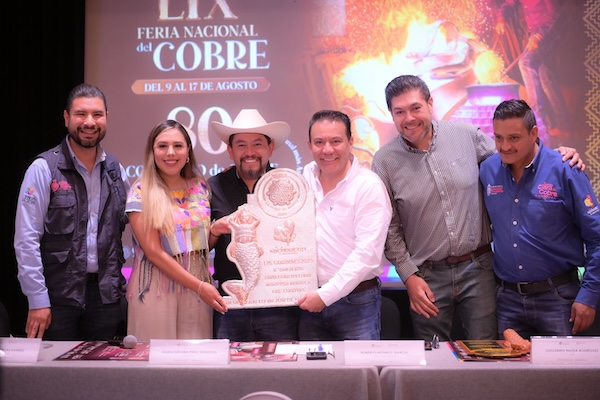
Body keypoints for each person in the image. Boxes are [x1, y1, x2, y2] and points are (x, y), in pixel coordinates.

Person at [371, 75, 583, 341]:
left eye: (415, 108)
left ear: (430, 103)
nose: (409, 118)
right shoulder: (384, 161)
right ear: (391, 114)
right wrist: (408, 276)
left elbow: (514, 156)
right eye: (399, 112)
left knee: (487, 351)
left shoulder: (467, 135)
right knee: (432, 355)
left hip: (479, 269)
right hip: (426, 277)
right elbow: (389, 227)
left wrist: (553, 156)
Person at [14, 83, 130, 340]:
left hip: (106, 298)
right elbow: (26, 239)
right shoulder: (44, 168)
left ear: (106, 118)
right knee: (56, 367)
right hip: (57, 298)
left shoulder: (116, 171)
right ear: (66, 118)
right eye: (81, 114)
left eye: (97, 114)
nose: (89, 122)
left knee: (101, 366)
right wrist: (37, 299)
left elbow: (136, 230)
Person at [480, 99, 600, 338]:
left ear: (534, 133)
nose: (505, 146)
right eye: (498, 138)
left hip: (559, 298)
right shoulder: (488, 170)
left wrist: (589, 295)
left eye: (514, 138)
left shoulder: (566, 169)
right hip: (507, 300)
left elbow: (596, 239)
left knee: (561, 364)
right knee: (509, 364)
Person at [126, 119, 227, 341]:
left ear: (188, 151)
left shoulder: (200, 187)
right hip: (156, 289)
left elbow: (197, 246)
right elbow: (154, 252)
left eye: (178, 146)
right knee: (155, 357)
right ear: (152, 151)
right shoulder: (140, 192)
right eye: (162, 146)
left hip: (197, 288)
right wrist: (199, 287)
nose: (170, 152)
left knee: (196, 357)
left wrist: (215, 232)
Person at [296, 110, 392, 340]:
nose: (327, 149)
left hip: (356, 303)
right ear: (309, 145)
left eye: (336, 141)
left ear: (351, 142)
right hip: (309, 300)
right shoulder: (304, 178)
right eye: (319, 142)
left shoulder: (368, 186)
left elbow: (367, 254)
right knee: (310, 364)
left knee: (359, 364)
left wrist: (325, 296)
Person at [208, 109, 299, 341]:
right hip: (230, 305)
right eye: (241, 145)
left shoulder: (288, 185)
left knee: (281, 363)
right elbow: (200, 247)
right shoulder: (214, 186)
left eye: (257, 144)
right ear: (230, 151)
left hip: (279, 305)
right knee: (229, 365)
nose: (249, 152)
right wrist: (215, 230)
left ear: (270, 148)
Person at [495, 0, 570, 142]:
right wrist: (501, 18)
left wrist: (538, 36)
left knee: (526, 62)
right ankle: (563, 124)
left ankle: (538, 122)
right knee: (545, 77)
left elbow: (557, 15)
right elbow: (509, 3)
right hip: (535, 33)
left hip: (549, 34)